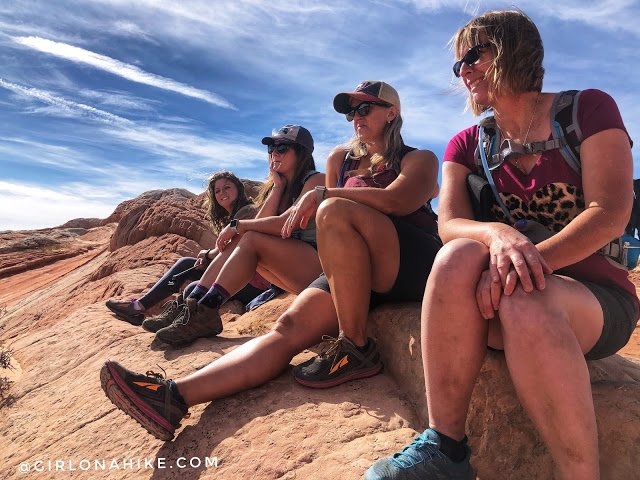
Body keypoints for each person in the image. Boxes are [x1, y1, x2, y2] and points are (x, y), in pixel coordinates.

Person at [365, 10, 638, 480]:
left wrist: (520, 266)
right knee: (457, 253)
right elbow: (448, 224)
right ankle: (444, 448)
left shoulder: (587, 110)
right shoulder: (467, 144)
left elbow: (609, 213)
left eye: (474, 55)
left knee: (526, 299)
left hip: (596, 303)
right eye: (458, 64)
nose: (464, 70)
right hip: (501, 300)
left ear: (515, 50)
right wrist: (496, 234)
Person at [100, 81, 441, 441]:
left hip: (408, 261)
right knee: (288, 327)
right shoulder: (340, 160)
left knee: (335, 210)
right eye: (350, 111)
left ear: (391, 112)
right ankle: (173, 397)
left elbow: (397, 202)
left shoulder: (419, 159)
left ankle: (355, 347)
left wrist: (324, 195)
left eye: (365, 108)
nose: (356, 117)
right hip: (353, 270)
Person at [152, 124, 325, 346]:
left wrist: (237, 225)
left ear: (301, 152)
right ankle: (192, 306)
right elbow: (256, 225)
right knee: (245, 236)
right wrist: (278, 188)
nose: (274, 153)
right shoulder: (281, 187)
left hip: (318, 268)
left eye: (282, 148)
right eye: (271, 148)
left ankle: (206, 310)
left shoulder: (316, 180)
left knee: (248, 235)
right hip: (291, 268)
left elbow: (283, 224)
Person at [105, 171, 269, 330]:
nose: (222, 193)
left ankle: (176, 322)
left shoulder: (248, 211)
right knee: (186, 264)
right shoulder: (231, 215)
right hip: (237, 272)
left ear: (239, 188)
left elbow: (231, 248)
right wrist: (208, 256)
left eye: (227, 187)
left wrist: (206, 254)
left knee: (193, 289)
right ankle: (138, 307)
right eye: (217, 190)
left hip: (253, 282)